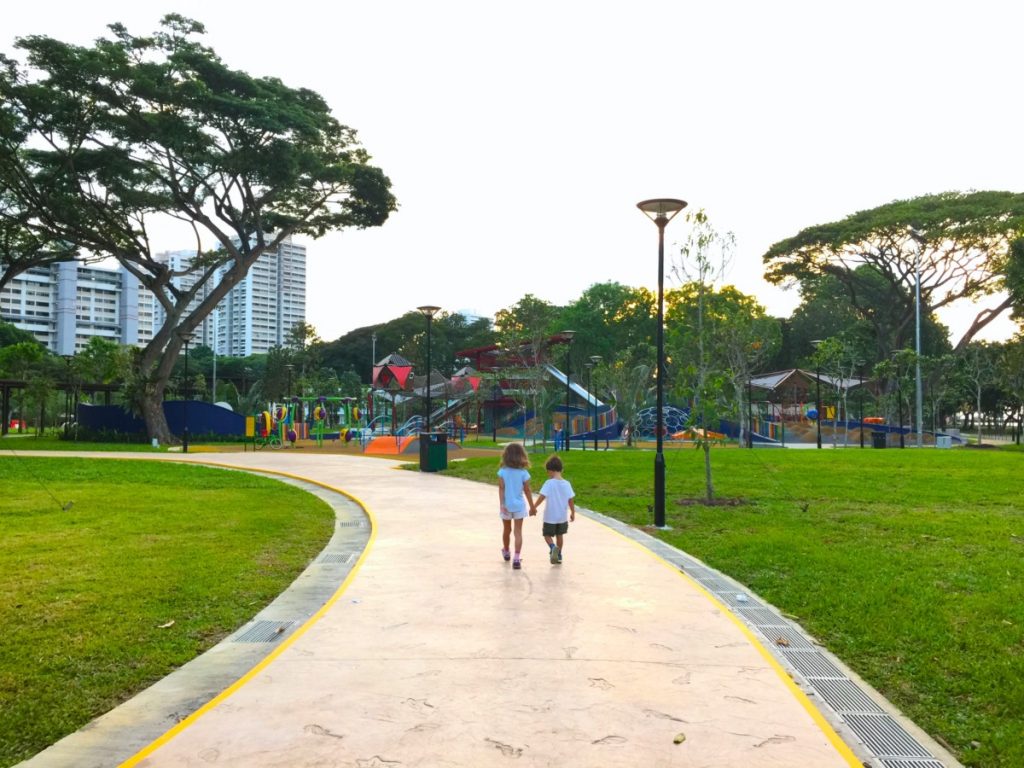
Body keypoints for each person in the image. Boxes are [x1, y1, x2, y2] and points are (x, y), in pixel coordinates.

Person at [497, 442, 536, 569]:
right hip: (519, 506)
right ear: (521, 456)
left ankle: (507, 551)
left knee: (506, 530)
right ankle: (517, 558)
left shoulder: (502, 472)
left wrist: (502, 504)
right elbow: (527, 490)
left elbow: (501, 488)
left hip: (506, 506)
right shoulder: (524, 473)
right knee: (518, 532)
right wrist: (532, 506)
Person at [534, 455, 575, 565]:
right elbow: (571, 500)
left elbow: (542, 496)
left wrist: (534, 507)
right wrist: (573, 512)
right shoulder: (567, 484)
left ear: (550, 471)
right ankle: (559, 554)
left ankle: (552, 548)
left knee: (547, 535)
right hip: (562, 517)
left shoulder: (549, 483)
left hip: (550, 516)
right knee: (559, 535)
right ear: (561, 469)